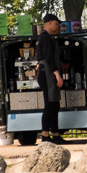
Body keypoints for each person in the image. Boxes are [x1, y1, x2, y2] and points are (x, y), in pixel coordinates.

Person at [36, 13, 65, 145]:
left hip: (47, 74)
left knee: (55, 105)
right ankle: (45, 135)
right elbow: (49, 58)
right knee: (49, 105)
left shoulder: (44, 38)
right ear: (49, 23)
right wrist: (57, 75)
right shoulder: (45, 38)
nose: (57, 26)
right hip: (47, 75)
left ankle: (56, 134)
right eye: (56, 24)